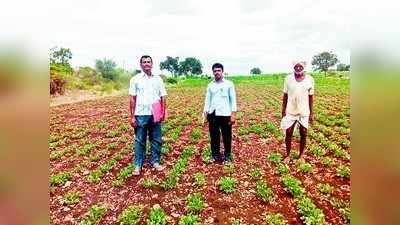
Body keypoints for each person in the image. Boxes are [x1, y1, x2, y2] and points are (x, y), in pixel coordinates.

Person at [129, 55, 167, 175]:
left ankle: (155, 162)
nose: (146, 64)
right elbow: (132, 98)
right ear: (141, 65)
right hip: (141, 113)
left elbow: (163, 96)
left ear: (152, 64)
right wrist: (132, 116)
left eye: (148, 62)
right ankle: (138, 165)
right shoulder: (135, 79)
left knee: (156, 139)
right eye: (144, 62)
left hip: (155, 113)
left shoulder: (158, 79)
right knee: (140, 140)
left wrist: (163, 111)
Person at [281, 61, 314, 163]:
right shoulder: (288, 78)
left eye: (300, 66)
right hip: (291, 110)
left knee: (303, 133)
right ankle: (288, 155)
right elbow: (285, 95)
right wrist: (283, 110)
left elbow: (311, 97)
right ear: (293, 67)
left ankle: (301, 155)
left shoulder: (310, 79)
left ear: (303, 67)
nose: (298, 68)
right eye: (296, 66)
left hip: (304, 111)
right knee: (289, 132)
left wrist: (312, 113)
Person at [203, 63, 237, 164]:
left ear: (222, 71)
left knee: (227, 136)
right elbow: (207, 101)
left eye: (219, 70)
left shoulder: (229, 84)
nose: (217, 72)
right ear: (213, 72)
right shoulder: (210, 85)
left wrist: (233, 114)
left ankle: (227, 156)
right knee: (214, 136)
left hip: (225, 114)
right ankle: (215, 155)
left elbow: (233, 100)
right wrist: (205, 114)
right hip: (213, 114)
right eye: (215, 71)